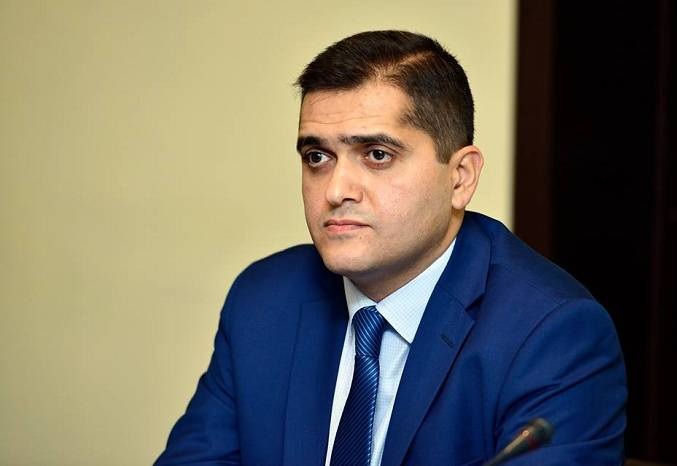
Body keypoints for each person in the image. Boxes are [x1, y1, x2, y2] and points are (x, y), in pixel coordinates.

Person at [155, 30, 626, 466]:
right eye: (317, 157)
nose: (336, 189)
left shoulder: (553, 334)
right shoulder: (264, 301)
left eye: (377, 155)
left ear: (460, 178)